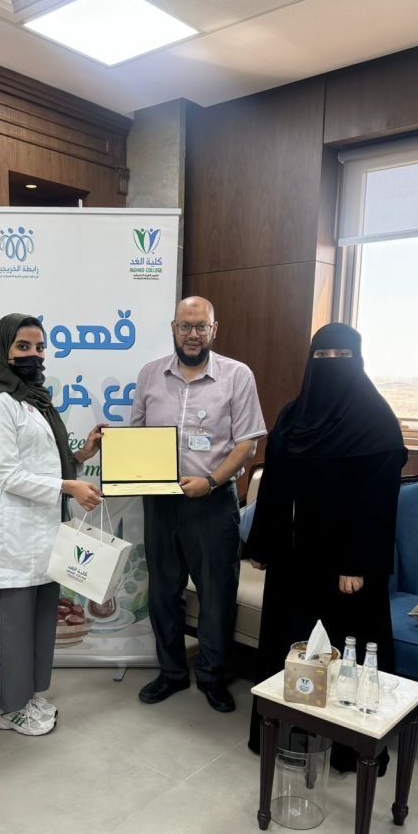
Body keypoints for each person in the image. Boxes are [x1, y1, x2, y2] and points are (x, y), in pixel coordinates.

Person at [246, 322, 407, 770]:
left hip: (345, 569)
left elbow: (378, 503)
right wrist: (264, 544)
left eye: (341, 357)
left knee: (345, 652)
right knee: (289, 645)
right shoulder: (294, 416)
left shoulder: (376, 421)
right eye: (321, 357)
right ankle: (286, 733)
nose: (330, 365)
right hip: (294, 560)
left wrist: (357, 563)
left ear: (358, 360)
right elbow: (275, 484)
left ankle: (347, 748)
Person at [131, 295, 266, 712]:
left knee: (217, 594)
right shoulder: (150, 374)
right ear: (174, 329)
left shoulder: (237, 375)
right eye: (185, 326)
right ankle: (172, 673)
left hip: (212, 503)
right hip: (160, 503)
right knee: (162, 593)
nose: (193, 334)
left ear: (213, 329)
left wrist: (209, 482)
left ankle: (211, 676)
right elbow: (137, 436)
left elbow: (247, 443)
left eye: (201, 326)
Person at [0, 313, 103, 736]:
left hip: (45, 527)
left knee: (40, 618)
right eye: (23, 347)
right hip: (13, 528)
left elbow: (46, 461)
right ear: (4, 351)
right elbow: (9, 474)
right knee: (14, 624)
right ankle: (8, 708)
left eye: (39, 347)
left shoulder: (34, 400)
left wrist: (82, 455)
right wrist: (69, 486)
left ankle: (27, 695)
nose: (34, 355)